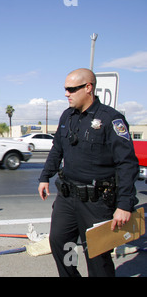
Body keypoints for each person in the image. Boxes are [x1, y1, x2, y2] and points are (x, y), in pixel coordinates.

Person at [38, 68, 139, 277]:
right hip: (67, 198)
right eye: (65, 89)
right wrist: (45, 177)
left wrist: (124, 204)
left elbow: (127, 163)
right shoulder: (67, 116)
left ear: (88, 88)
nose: (67, 94)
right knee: (62, 244)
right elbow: (58, 148)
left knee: (97, 257)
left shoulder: (111, 119)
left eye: (71, 89)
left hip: (97, 201)